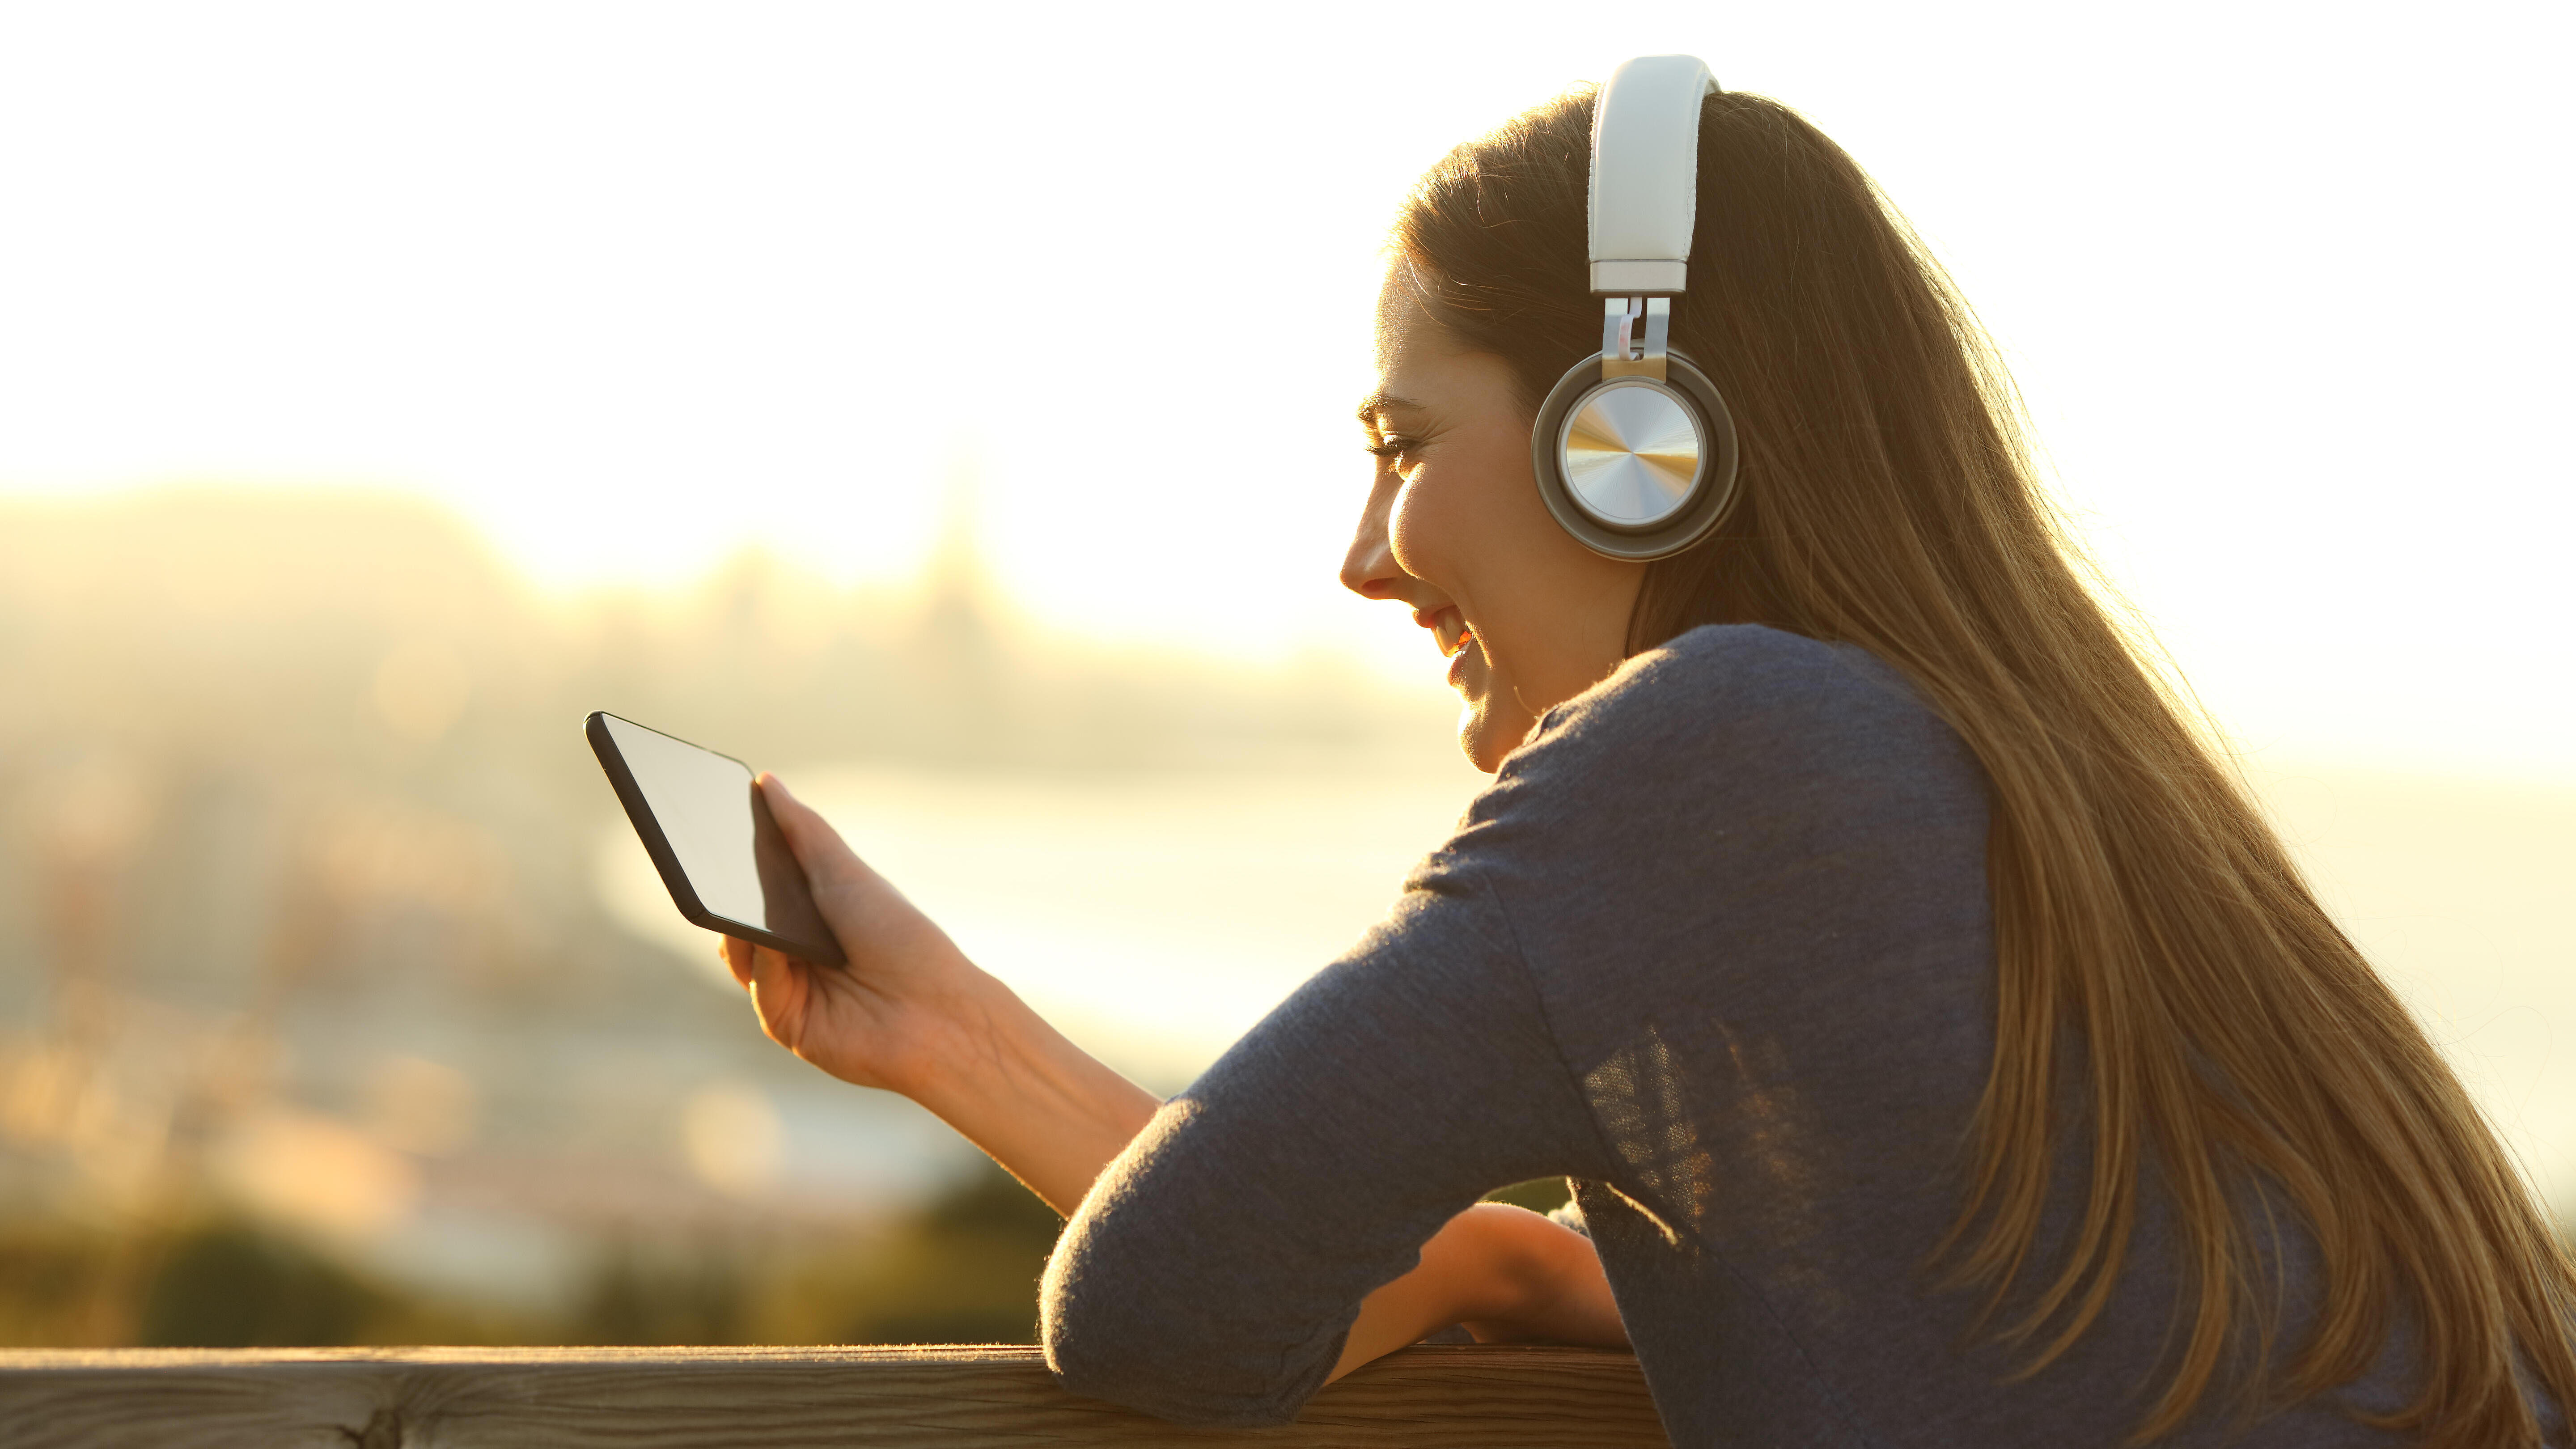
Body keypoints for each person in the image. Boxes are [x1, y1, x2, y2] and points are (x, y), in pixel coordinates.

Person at [718, 68, 2575, 1449]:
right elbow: (1966, 1296)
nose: (1364, 552)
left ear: (1638, 438)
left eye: (1401, 439)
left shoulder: (1715, 751)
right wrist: (956, 1037)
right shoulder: (2037, 772)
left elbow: (1161, 1309)